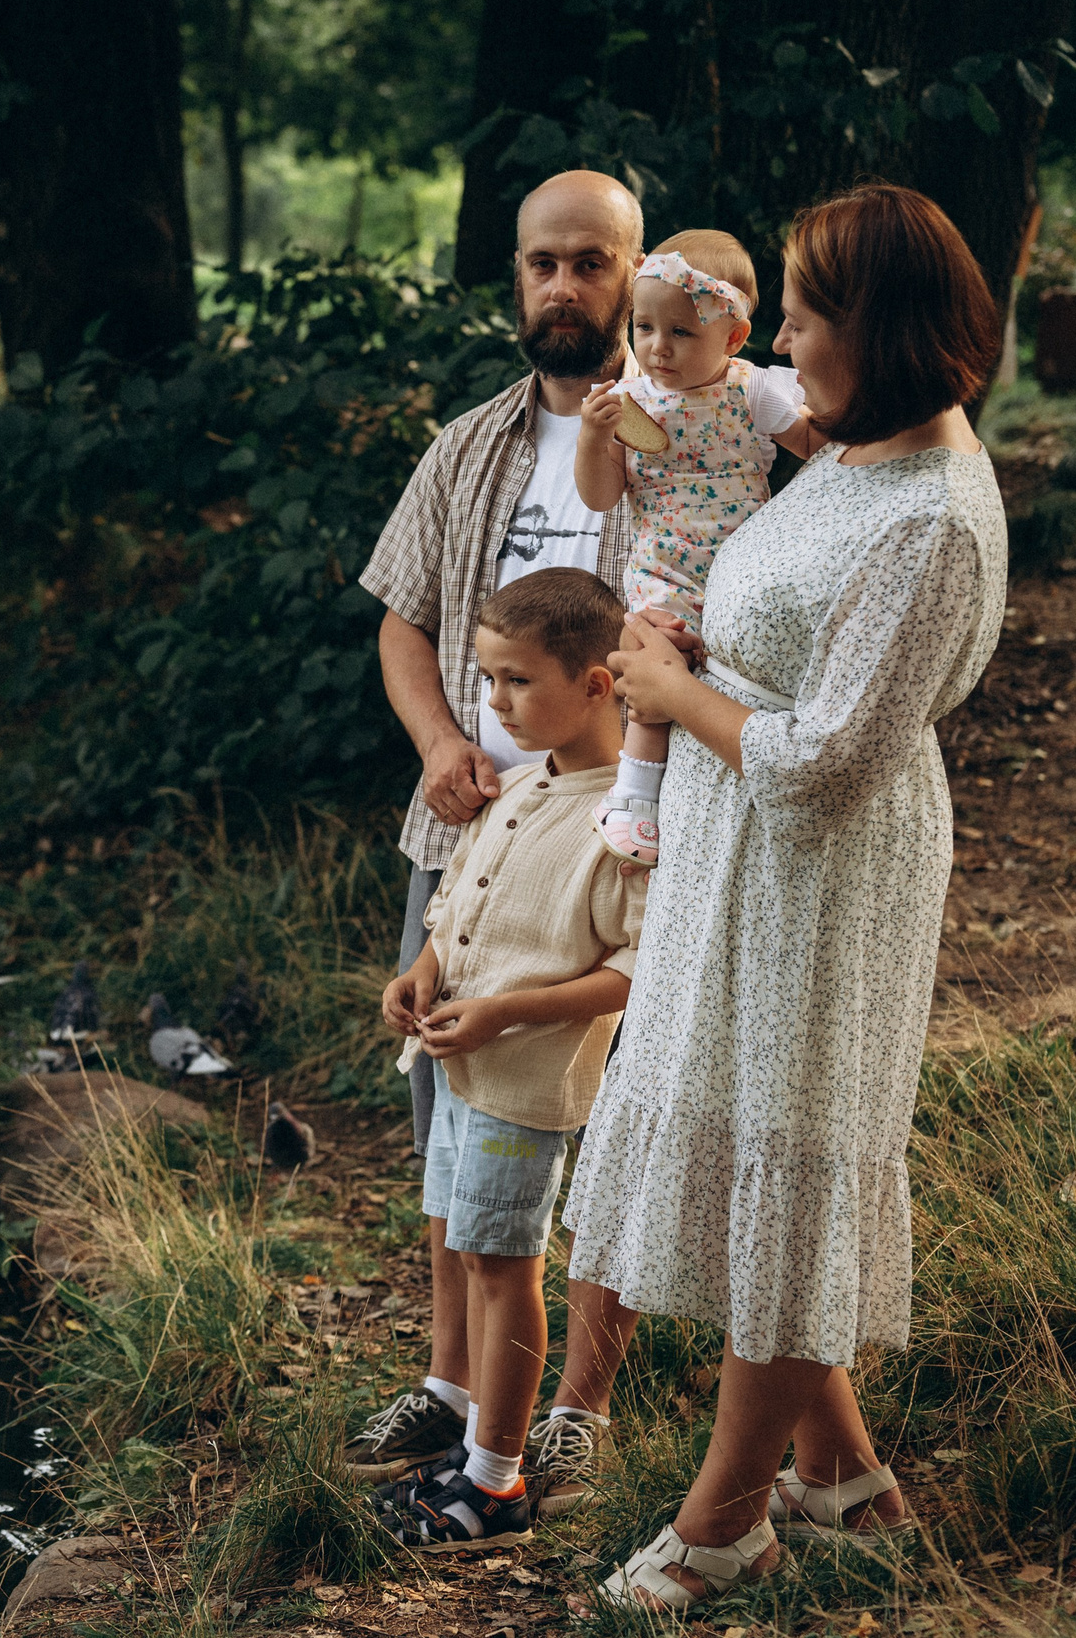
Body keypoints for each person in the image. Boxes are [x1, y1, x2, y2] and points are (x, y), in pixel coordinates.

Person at [561, 183, 1009, 1613]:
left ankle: (722, 1523)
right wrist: (698, 634)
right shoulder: (861, 458)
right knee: (762, 1141)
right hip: (740, 857)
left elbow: (825, 763)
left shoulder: (934, 517)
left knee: (790, 1156)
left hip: (822, 875)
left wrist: (673, 690)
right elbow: (785, 629)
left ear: (878, 326)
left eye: (808, 316)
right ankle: (841, 1475)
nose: (786, 339)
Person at [348, 168, 643, 1504]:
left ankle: (570, 1405)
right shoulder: (469, 443)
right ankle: (454, 1384)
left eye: (590, 262)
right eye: (541, 264)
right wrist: (440, 744)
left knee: (618, 1121)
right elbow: (403, 618)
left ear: (632, 275)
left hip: (620, 836)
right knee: (452, 1114)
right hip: (469, 829)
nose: (562, 286)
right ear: (514, 277)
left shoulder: (688, 445)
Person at [369, 568, 648, 1554]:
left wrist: (504, 1015)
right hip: (457, 1068)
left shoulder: (623, 819)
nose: (493, 703)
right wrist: (424, 968)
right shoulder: (520, 781)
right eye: (486, 679)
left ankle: (493, 1480)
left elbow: (632, 967)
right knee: (466, 1245)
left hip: (521, 1082)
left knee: (504, 1263)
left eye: (516, 681)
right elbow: (457, 907)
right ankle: (478, 1439)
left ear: (597, 684)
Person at [572, 230, 826, 866]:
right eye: (645, 327)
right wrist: (592, 442)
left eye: (681, 333)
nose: (657, 348)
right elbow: (603, 497)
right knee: (652, 649)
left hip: (744, 559)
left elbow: (820, 455)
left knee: (741, 667)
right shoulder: (630, 403)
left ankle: (749, 784)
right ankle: (634, 795)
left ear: (734, 337)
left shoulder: (752, 390)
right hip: (665, 562)